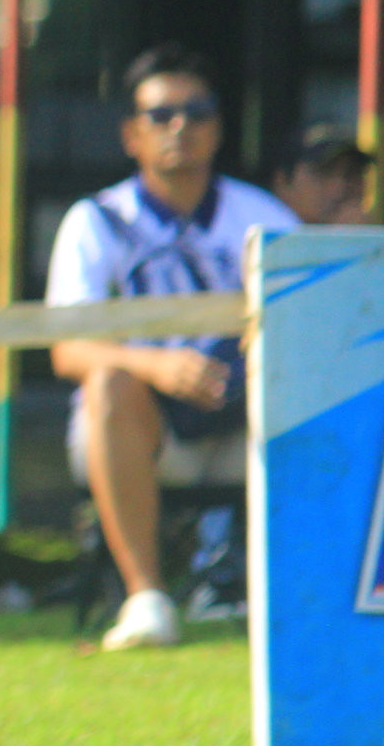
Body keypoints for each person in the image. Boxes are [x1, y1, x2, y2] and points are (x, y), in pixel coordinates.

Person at [46, 45, 297, 651]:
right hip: (147, 429)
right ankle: (146, 598)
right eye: (161, 116)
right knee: (108, 384)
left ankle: (309, 602)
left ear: (219, 128)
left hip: (250, 424)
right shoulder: (96, 221)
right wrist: (156, 365)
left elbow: (309, 324)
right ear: (132, 134)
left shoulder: (263, 217)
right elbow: (67, 350)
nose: (180, 127)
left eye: (197, 111)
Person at [269, 124, 375, 227]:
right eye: (325, 172)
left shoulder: (376, 238)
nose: (339, 188)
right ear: (283, 181)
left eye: (351, 173)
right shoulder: (258, 232)